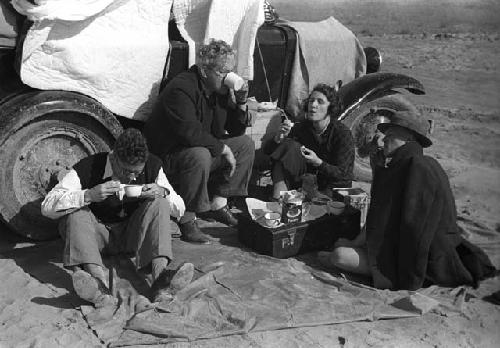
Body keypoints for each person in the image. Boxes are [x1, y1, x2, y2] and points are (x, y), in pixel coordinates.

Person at [319, 110, 495, 290]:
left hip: (423, 261)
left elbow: (417, 232)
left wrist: (400, 276)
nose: (384, 140)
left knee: (338, 256)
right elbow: (379, 215)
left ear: (409, 138)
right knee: (340, 249)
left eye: (391, 135)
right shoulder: (400, 165)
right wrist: (356, 243)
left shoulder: (418, 168)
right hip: (396, 245)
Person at [41, 128, 192, 308]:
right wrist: (87, 195)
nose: (133, 177)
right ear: (113, 158)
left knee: (160, 203)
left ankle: (161, 281)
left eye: (137, 172)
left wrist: (162, 192)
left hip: (132, 237)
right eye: (127, 171)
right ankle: (98, 285)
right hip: (96, 239)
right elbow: (47, 207)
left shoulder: (153, 165)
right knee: (76, 213)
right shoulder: (88, 167)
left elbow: (180, 208)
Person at [144, 39, 255, 244]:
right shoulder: (181, 88)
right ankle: (187, 220)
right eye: (223, 72)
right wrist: (223, 149)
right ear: (205, 70)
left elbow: (236, 129)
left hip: (196, 151)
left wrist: (240, 102)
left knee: (245, 144)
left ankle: (219, 204)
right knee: (200, 153)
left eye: (230, 71)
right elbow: (190, 132)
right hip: (168, 157)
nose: (228, 77)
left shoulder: (219, 90)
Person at [263, 83, 355, 200]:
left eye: (320, 102)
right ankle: (278, 200)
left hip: (332, 187)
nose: (313, 105)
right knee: (287, 146)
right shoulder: (304, 127)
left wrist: (318, 163)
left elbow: (344, 175)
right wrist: (278, 139)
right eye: (311, 101)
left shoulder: (342, 134)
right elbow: (269, 151)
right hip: (307, 182)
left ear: (330, 107)